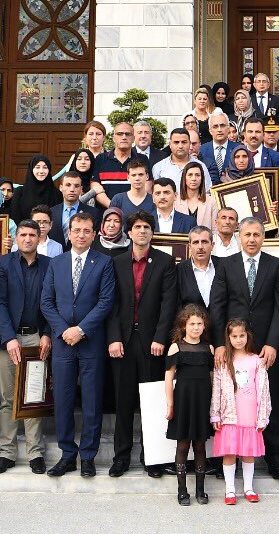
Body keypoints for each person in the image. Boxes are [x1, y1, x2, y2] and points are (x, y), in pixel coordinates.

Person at [41, 211, 117, 478]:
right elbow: (46, 302)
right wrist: (64, 331)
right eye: (76, 230)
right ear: (69, 233)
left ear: (94, 233)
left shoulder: (104, 263)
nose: (81, 235)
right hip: (63, 344)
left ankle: (88, 456)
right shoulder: (56, 263)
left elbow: (106, 302)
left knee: (92, 401)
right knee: (62, 401)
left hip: (91, 342)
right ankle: (67, 454)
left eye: (87, 230)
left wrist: (82, 329)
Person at [216, 216, 279, 479]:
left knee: (267, 403)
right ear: (239, 236)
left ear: (263, 237)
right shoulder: (226, 265)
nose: (251, 240)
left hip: (263, 350)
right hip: (233, 349)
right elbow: (218, 306)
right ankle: (229, 461)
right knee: (232, 403)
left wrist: (272, 343)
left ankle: (274, 459)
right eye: (247, 235)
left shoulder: (276, 265)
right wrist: (220, 344)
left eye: (256, 235)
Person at [108, 211, 178, 478]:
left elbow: (168, 303)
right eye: (137, 227)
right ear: (129, 232)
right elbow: (110, 303)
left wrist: (161, 337)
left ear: (152, 232)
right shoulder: (116, 262)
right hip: (122, 342)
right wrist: (114, 337)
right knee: (123, 402)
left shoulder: (165, 262)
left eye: (147, 227)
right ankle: (120, 458)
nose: (142, 231)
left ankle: (153, 458)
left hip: (152, 343)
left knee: (152, 403)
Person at [0, 219, 52, 474]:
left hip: (37, 338)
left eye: (32, 235)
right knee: (7, 398)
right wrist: (9, 338)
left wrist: (47, 334)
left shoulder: (50, 265)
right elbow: (0, 302)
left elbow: (53, 302)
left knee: (34, 396)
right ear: (16, 239)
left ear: (39, 238)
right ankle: (7, 452)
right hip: (9, 339)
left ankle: (35, 452)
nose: (27, 239)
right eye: (23, 235)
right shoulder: (2, 264)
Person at [212, 317, 272, 504]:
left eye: (242, 335)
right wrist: (215, 413)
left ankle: (248, 488)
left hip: (250, 417)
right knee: (229, 453)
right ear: (228, 338)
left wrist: (263, 417)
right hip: (230, 416)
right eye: (234, 336)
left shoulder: (256, 361)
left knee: (248, 453)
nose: (238, 339)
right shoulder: (224, 362)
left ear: (248, 336)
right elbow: (217, 389)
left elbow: (264, 390)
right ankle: (230, 490)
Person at [164, 305, 216, 505]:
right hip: (184, 402)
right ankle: (182, 490)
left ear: (204, 326)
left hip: (202, 402)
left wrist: (214, 406)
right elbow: (169, 378)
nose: (195, 327)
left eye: (199, 324)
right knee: (183, 444)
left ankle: (201, 491)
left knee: (201, 444)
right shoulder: (176, 347)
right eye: (192, 324)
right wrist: (170, 405)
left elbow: (212, 378)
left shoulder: (209, 348)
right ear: (184, 325)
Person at [173, 226, 228, 343]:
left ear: (212, 245)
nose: (200, 247)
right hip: (190, 338)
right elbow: (176, 305)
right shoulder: (178, 270)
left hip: (223, 337)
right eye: (195, 242)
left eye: (204, 242)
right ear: (189, 246)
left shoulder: (225, 266)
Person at [11, 156, 62, 235]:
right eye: (37, 167)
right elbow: (15, 218)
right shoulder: (20, 192)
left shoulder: (57, 194)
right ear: (31, 169)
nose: (41, 171)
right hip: (26, 238)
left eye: (45, 167)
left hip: (50, 239)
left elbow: (57, 220)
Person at [50, 169, 100, 247]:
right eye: (68, 185)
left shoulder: (93, 213)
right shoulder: (51, 213)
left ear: (81, 189)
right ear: (60, 188)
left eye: (76, 186)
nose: (72, 189)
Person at [175, 159, 218, 229]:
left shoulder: (211, 201)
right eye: (190, 175)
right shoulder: (175, 201)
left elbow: (214, 229)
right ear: (184, 178)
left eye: (197, 175)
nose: (194, 179)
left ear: (202, 179)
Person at [198, 111, 237, 182]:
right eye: (215, 126)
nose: (219, 130)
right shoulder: (202, 150)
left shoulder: (238, 149)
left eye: (222, 125)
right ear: (210, 131)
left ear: (228, 128)